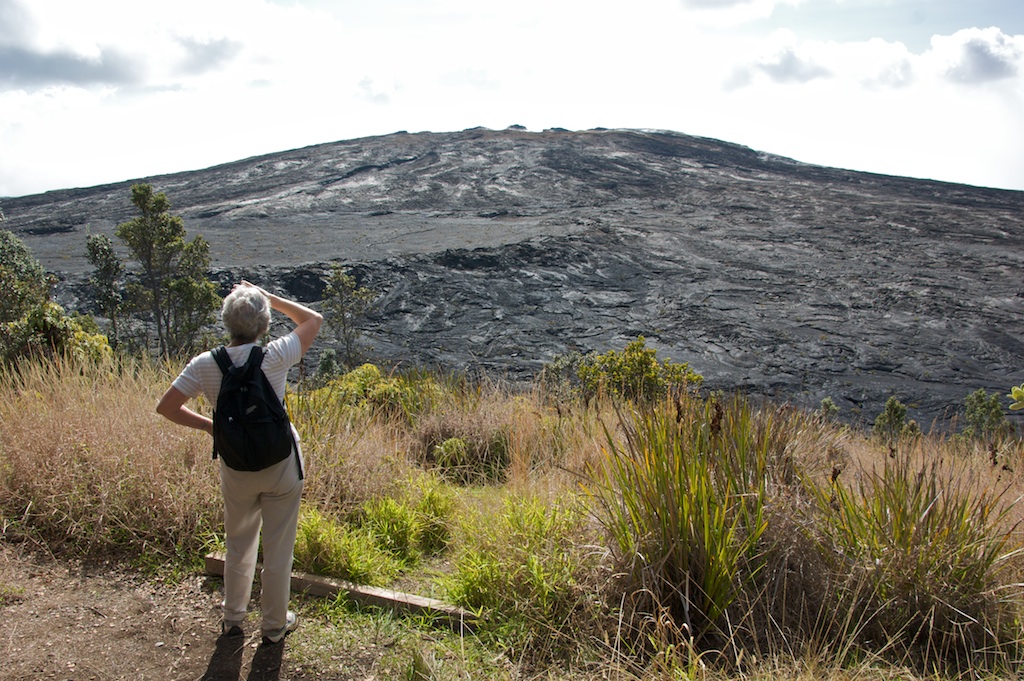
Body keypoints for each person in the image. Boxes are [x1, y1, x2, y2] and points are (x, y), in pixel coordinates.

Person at [157, 281, 323, 644]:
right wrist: (268, 296)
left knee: (238, 543)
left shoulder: (205, 364)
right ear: (263, 325)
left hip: (236, 467)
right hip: (281, 465)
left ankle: (233, 620)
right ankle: (274, 626)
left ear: (226, 323)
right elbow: (313, 319)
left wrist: (212, 428)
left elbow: (166, 407)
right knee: (279, 549)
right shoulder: (275, 355)